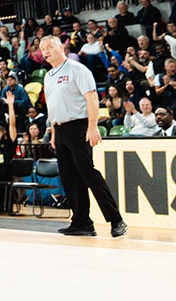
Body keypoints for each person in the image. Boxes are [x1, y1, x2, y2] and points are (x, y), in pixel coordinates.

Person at [40, 35, 127, 238]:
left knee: (88, 174)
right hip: (60, 129)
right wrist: (53, 131)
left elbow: (92, 97)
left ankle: (116, 220)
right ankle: (82, 222)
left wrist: (93, 126)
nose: (45, 51)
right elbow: (53, 106)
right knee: (70, 179)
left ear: (61, 47)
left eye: (50, 47)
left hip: (79, 127)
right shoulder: (48, 75)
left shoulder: (77, 69)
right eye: (42, 48)